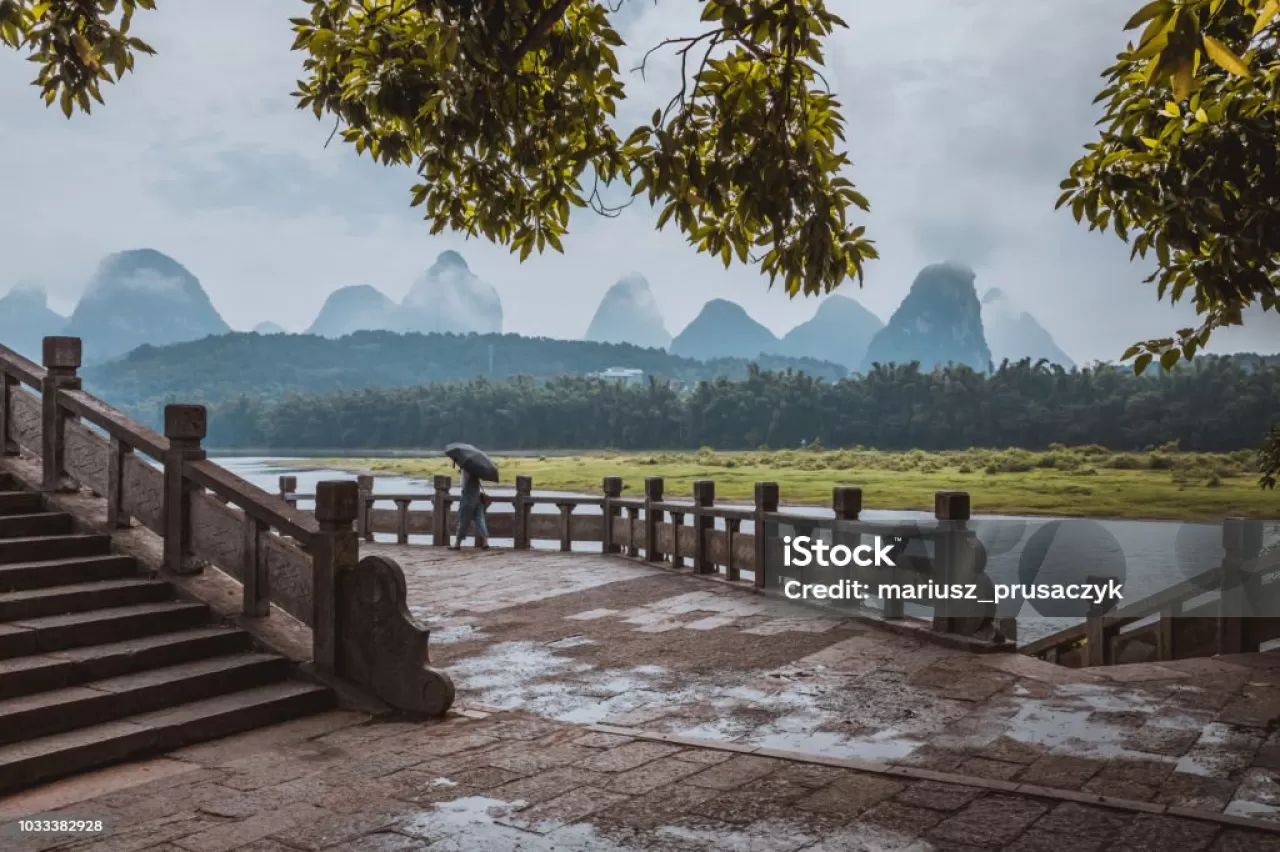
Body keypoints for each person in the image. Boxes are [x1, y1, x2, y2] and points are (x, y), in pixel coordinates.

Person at [449, 464, 489, 550]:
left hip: (468, 499)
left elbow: (463, 484)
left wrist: (461, 472)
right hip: (478, 498)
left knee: (463, 521)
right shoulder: (477, 470)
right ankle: (485, 542)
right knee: (480, 520)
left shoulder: (465, 469)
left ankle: (457, 543)